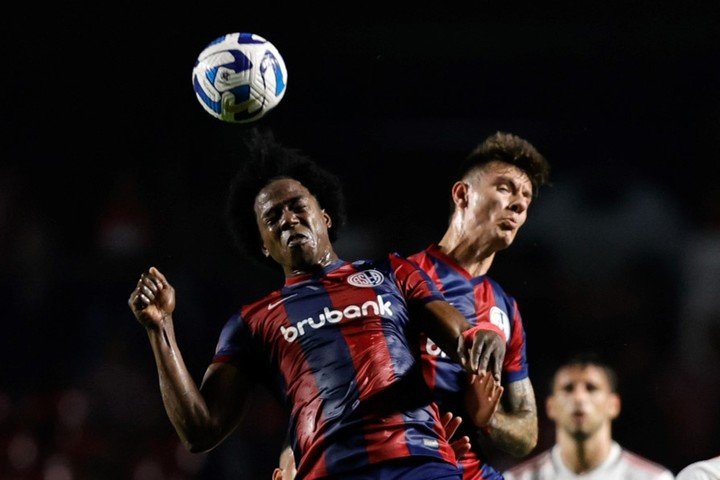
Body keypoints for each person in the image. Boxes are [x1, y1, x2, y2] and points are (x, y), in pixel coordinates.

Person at [128, 131, 507, 480]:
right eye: (272, 218)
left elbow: (461, 336)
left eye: (297, 206)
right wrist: (160, 327)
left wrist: (482, 337)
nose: (288, 219)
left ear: (324, 217)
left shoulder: (391, 273)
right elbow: (200, 431)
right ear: (264, 245)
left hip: (420, 464)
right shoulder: (252, 321)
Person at [408, 131, 550, 479]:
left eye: (527, 197)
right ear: (462, 194)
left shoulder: (507, 310)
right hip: (404, 464)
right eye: (505, 188)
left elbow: (527, 433)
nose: (519, 204)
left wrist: (488, 419)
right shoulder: (400, 278)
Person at [502, 352, 674, 480]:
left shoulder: (653, 478)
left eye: (591, 388)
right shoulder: (518, 478)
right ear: (550, 407)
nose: (579, 398)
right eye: (568, 388)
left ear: (614, 405)